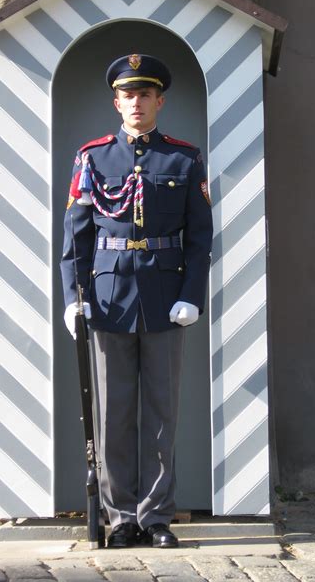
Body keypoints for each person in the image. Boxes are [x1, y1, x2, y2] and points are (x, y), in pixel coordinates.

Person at [60, 54, 213, 546]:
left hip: (166, 297)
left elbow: (200, 239)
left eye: (146, 94)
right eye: (129, 94)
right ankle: (122, 516)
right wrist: (72, 297)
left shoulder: (184, 159)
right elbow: (76, 240)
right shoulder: (92, 158)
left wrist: (192, 295)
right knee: (114, 413)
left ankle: (156, 517)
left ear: (159, 101)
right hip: (108, 300)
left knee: (162, 412)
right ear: (116, 102)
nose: (137, 103)